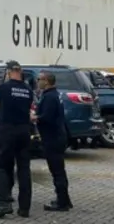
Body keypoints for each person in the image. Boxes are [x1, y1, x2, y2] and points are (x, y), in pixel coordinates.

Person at [0, 60, 33, 219]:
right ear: (20, 71)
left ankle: (4, 204)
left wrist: (4, 106)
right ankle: (24, 208)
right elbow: (29, 108)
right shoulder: (28, 90)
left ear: (8, 72)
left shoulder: (3, 87)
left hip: (7, 131)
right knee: (24, 169)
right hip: (24, 131)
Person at [33, 71, 72, 211]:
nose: (37, 81)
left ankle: (62, 203)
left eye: (39, 79)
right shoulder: (54, 94)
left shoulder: (49, 97)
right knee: (60, 170)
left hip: (53, 138)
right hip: (58, 136)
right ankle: (65, 199)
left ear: (47, 81)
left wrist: (35, 117)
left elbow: (47, 118)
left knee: (57, 171)